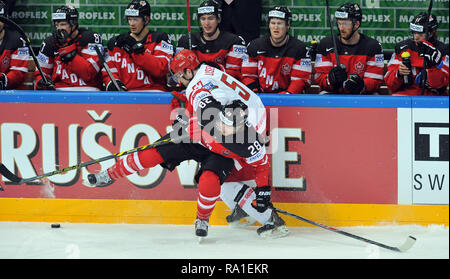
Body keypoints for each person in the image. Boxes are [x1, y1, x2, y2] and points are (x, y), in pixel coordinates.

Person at [85, 49, 288, 239]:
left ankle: (265, 218)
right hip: (215, 126)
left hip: (227, 136)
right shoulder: (203, 86)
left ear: (189, 71)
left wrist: (263, 192)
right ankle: (109, 175)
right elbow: (211, 103)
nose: (178, 81)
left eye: (179, 76)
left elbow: (260, 162)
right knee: (154, 153)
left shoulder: (244, 137)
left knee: (218, 183)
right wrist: (187, 119)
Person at [102, 0, 173, 91]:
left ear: (146, 20)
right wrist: (112, 82)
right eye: (129, 19)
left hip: (154, 93)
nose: (132, 23)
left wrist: (136, 51)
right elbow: (108, 69)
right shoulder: (118, 42)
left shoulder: (159, 38)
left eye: (135, 19)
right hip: (127, 94)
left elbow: (160, 69)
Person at [314, 3, 384, 94]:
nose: (341, 28)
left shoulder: (372, 46)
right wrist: (330, 79)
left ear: (356, 24)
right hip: (333, 94)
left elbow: (375, 80)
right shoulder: (326, 44)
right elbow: (320, 77)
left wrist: (362, 85)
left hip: (362, 95)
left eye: (346, 23)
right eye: (339, 23)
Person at [241, 6, 312, 94]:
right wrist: (256, 93)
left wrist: (284, 97)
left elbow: (300, 81)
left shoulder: (299, 49)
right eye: (273, 23)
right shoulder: (254, 46)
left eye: (279, 23)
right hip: (261, 97)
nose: (275, 27)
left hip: (288, 99)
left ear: (288, 25)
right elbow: (248, 76)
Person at [33, 5, 103, 91]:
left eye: (62, 24)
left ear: (73, 24)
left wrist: (66, 48)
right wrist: (41, 81)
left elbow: (88, 73)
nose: (58, 28)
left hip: (89, 91)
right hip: (59, 93)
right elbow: (41, 74)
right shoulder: (50, 42)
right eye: (56, 25)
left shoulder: (91, 38)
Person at [175, 0, 246, 81]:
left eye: (211, 18)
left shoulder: (234, 41)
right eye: (203, 19)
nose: (206, 23)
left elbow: (236, 75)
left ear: (218, 19)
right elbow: (177, 73)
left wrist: (215, 68)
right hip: (194, 89)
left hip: (222, 89)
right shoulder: (186, 40)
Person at [384, 12, 449, 96]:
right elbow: (390, 84)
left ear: (432, 33)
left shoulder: (442, 51)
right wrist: (398, 73)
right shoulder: (403, 48)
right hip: (404, 97)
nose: (416, 37)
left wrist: (433, 66)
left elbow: (439, 85)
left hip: (432, 99)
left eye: (420, 34)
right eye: (414, 33)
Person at [0, 0, 30, 90]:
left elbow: (18, 73)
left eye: (0, 19)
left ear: (6, 19)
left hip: (13, 94)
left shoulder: (18, 40)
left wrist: (3, 80)